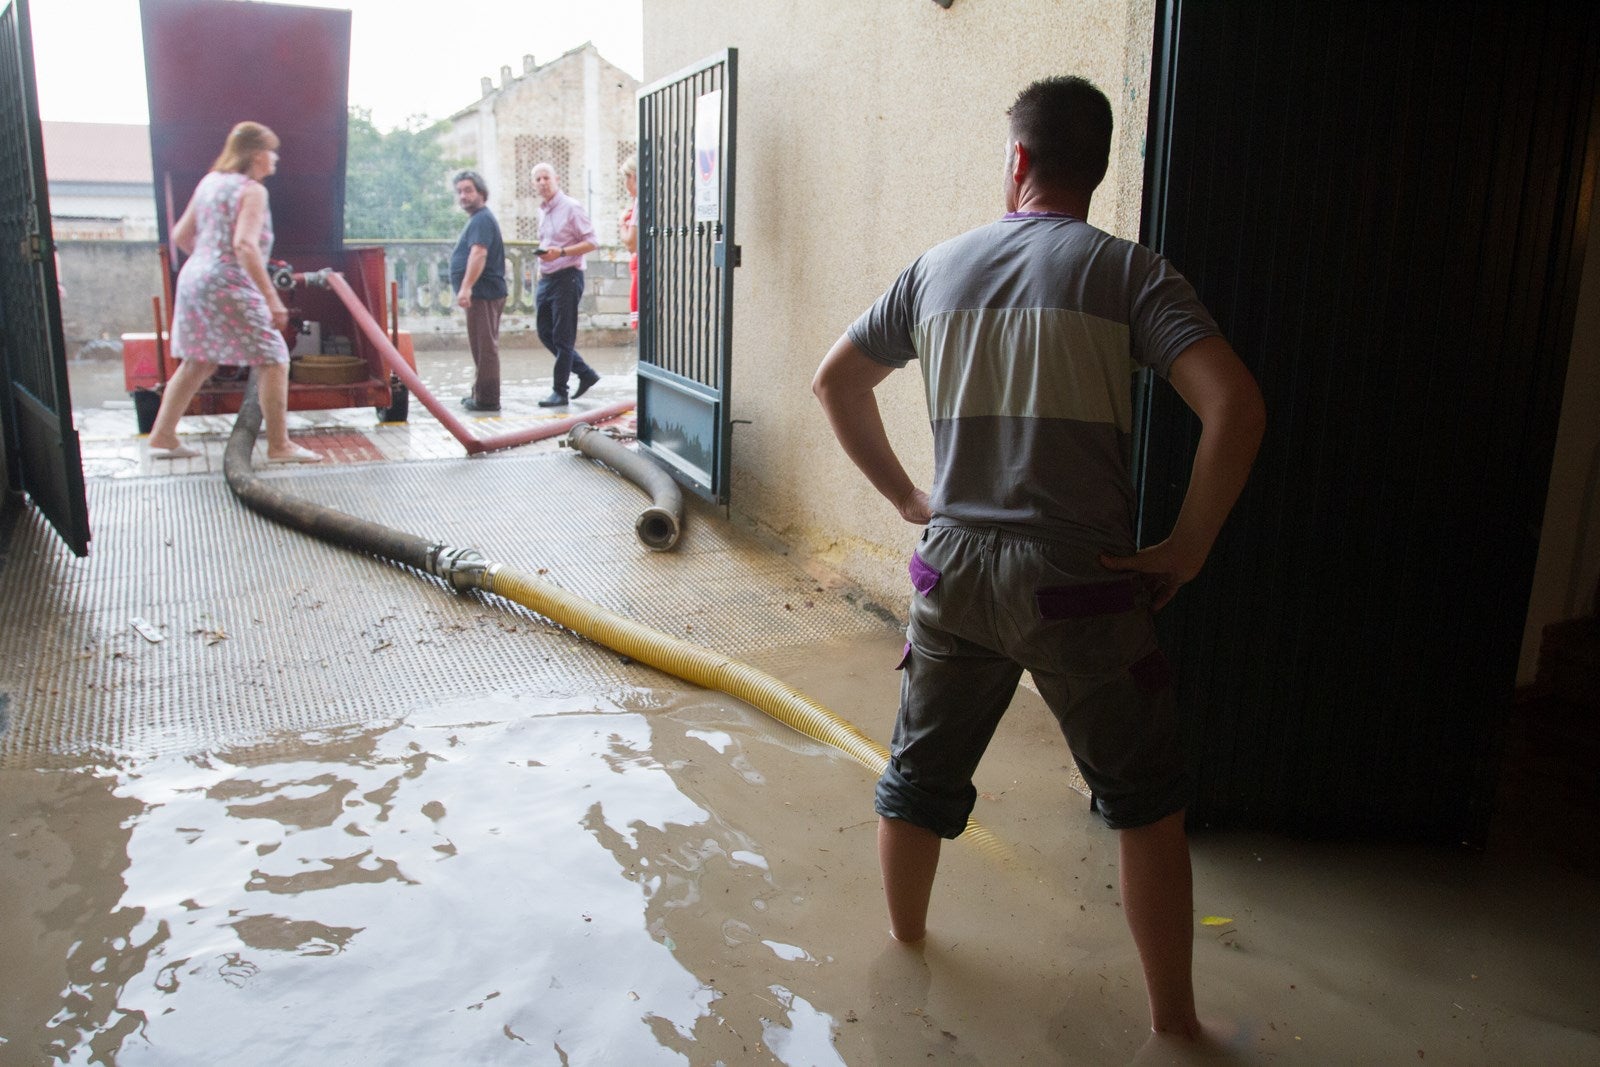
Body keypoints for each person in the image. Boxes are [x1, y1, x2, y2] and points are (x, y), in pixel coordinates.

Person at [811, 76, 1265, 1040]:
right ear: (1096, 170)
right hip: (1084, 581)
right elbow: (1236, 406)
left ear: (1016, 159)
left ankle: (907, 963)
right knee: (1146, 805)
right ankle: (1177, 1025)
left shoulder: (934, 269)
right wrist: (1186, 545)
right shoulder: (1133, 274)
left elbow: (835, 382)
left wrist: (908, 499)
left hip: (955, 570)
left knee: (918, 778)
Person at [145, 121, 321, 463]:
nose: (275, 159)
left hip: (195, 276)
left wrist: (208, 257)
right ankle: (279, 446)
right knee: (274, 356)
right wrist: (271, 298)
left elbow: (181, 234)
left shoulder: (210, 182)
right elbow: (244, 245)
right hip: (227, 279)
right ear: (256, 155)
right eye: (272, 152)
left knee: (199, 358)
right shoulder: (252, 190)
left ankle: (163, 435)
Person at [531, 162, 600, 407]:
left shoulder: (571, 207)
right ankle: (585, 373)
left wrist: (561, 252)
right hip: (547, 277)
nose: (542, 183)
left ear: (556, 178)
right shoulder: (543, 211)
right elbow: (546, 241)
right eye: (537, 179)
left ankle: (560, 391)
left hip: (568, 275)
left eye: (546, 177)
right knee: (544, 332)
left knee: (563, 336)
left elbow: (592, 242)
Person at [450, 169, 507, 412]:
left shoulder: (482, 219)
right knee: (481, 347)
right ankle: (480, 393)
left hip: (484, 293)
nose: (463, 196)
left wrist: (465, 288)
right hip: (482, 293)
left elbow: (479, 253)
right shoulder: (478, 219)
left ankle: (487, 399)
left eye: (468, 190)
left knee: (485, 348)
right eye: (460, 192)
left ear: (481, 193)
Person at [619, 155, 639, 331]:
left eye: (625, 177)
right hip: (638, 266)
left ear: (632, 177)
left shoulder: (639, 203)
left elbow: (631, 243)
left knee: (640, 323)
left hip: (639, 267)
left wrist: (621, 225)